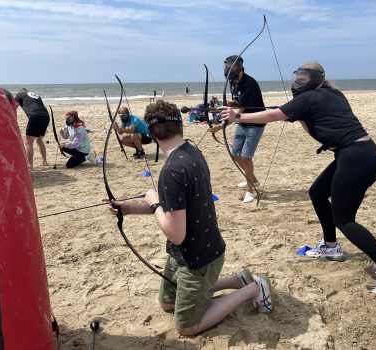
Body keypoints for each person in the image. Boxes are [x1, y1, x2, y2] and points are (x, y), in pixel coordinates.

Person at [220, 62, 376, 294]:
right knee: (318, 192)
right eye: (298, 77)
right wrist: (296, 112)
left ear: (317, 78)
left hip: (356, 159)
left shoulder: (309, 98)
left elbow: (273, 115)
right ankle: (330, 246)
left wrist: (237, 117)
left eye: (304, 77)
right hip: (363, 154)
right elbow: (310, 124)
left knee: (344, 219)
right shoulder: (332, 94)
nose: (299, 81)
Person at [108, 100, 273, 336]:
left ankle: (253, 289)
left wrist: (153, 202)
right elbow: (178, 208)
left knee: (186, 326)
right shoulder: (191, 150)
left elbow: (176, 234)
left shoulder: (172, 171)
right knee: (167, 304)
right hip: (188, 254)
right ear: (180, 126)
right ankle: (237, 279)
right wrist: (130, 209)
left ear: (152, 134)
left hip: (199, 259)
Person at [209, 55, 266, 203]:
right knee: (235, 154)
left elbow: (238, 113)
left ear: (240, 70)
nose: (232, 82)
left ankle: (250, 191)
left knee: (246, 157)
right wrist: (230, 103)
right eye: (230, 79)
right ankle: (252, 179)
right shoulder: (233, 81)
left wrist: (220, 126)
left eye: (233, 78)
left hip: (255, 123)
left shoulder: (250, 84)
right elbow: (236, 103)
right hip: (242, 123)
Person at [14, 88, 50, 170]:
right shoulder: (36, 96)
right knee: (39, 140)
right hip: (45, 116)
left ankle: (30, 166)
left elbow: (14, 107)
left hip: (35, 116)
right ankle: (45, 161)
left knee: (28, 142)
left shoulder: (19, 95)